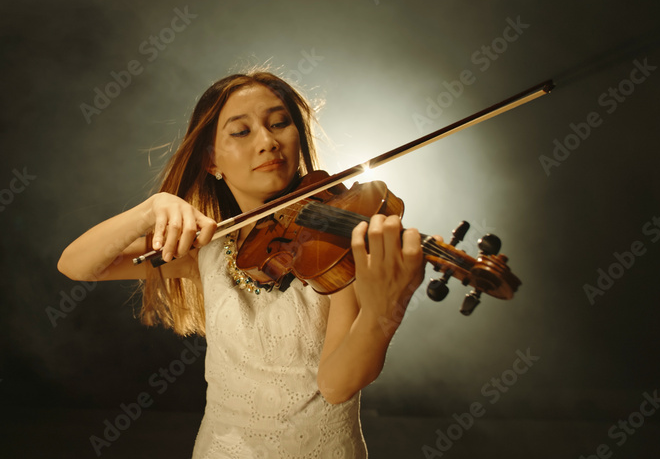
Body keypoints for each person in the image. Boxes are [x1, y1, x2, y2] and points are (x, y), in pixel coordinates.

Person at [58, 70, 428, 458]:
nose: (268, 142)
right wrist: (152, 208)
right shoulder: (207, 247)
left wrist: (384, 312)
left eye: (279, 123)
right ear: (211, 160)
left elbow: (336, 385)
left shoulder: (335, 246)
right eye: (241, 131)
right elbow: (78, 265)